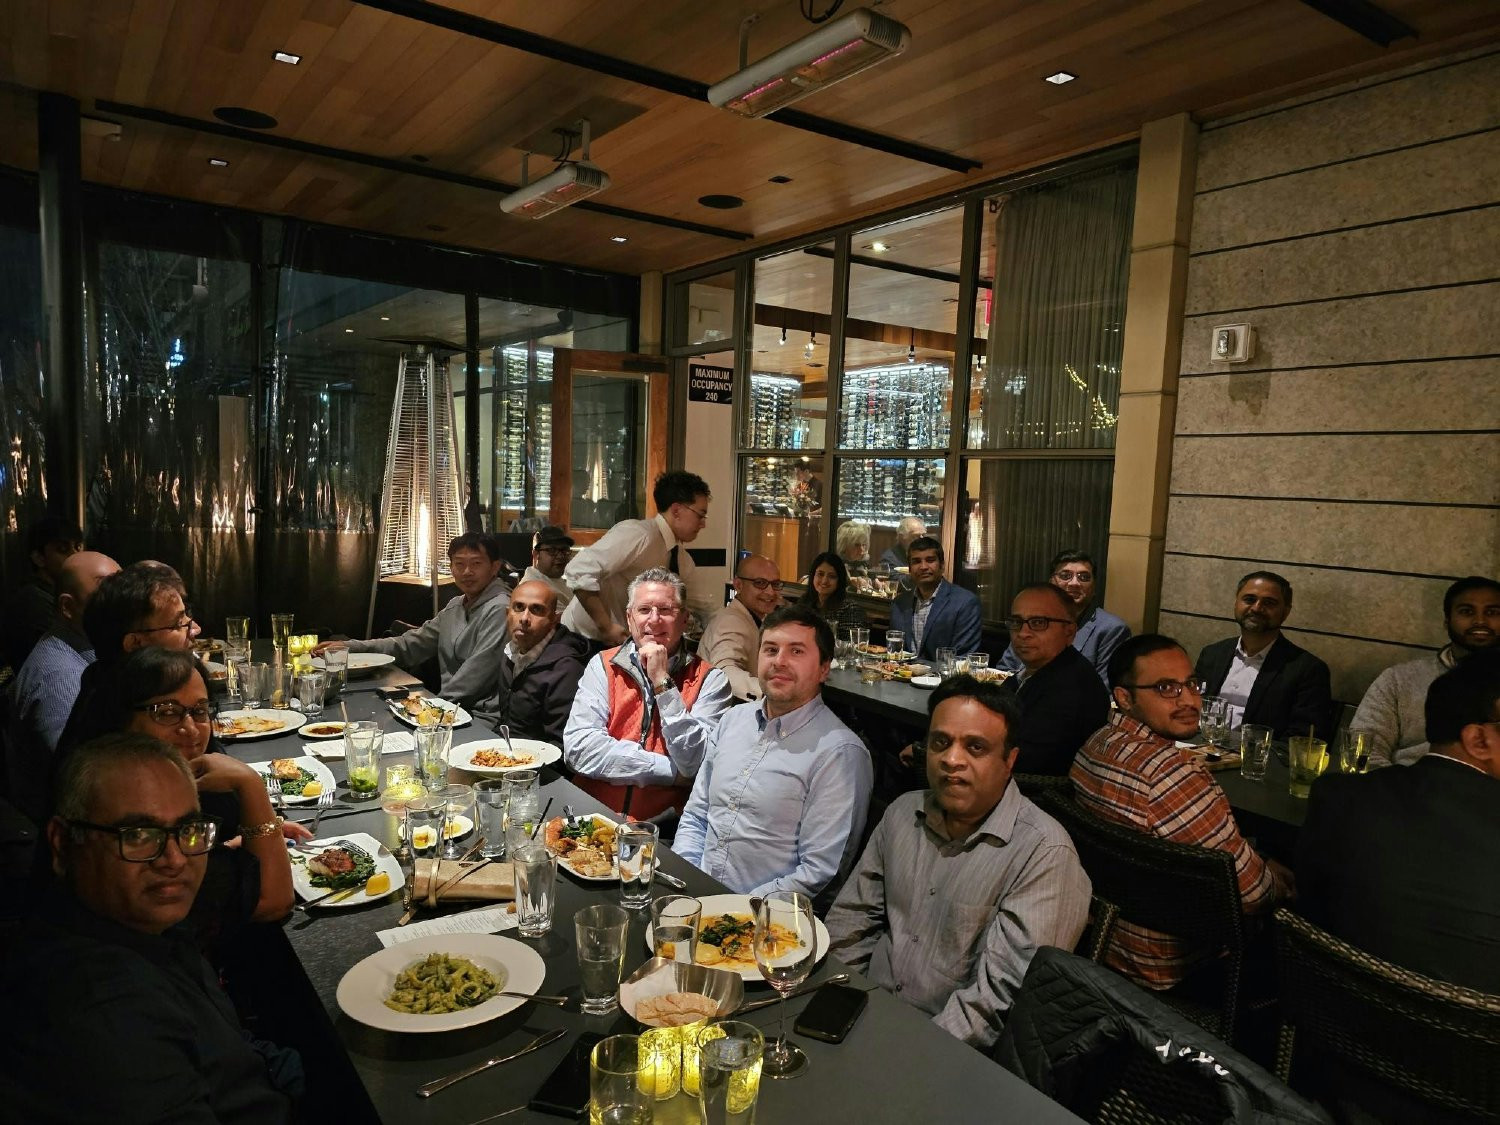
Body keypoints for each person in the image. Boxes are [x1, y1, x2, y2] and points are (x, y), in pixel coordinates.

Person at [0, 734, 299, 1123]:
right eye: (138, 835)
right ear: (62, 842)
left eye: (189, 829)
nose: (174, 859)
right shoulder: (103, 1016)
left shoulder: (137, 921)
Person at [826, 675, 1090, 1049]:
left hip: (947, 1054)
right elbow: (850, 924)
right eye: (940, 742)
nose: (952, 759)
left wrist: (902, 1052)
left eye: (976, 747)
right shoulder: (902, 813)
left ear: (1009, 760)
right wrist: (836, 1005)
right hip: (861, 1015)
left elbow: (994, 1004)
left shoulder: (1043, 854)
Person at [1070, 634, 1291, 990]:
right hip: (1170, 964)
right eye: (1165, 688)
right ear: (1124, 697)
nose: (1189, 699)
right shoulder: (1171, 775)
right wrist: (1279, 879)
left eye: (1191, 684)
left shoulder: (1095, 744)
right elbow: (1252, 896)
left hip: (1102, 937)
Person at [59, 648, 304, 942]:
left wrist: (238, 841)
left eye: (199, 711)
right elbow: (273, 902)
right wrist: (251, 785)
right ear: (120, 717)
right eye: (167, 712)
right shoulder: (112, 798)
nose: (190, 729)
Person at [1299, 650, 1500, 993]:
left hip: (1332, 1016)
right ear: (1478, 740)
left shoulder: (1337, 796)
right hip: (1467, 1040)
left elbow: (1311, 912)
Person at [676, 604, 873, 911]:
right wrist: (687, 883)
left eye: (797, 652)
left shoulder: (839, 753)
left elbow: (819, 872)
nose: (779, 661)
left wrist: (733, 911)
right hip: (694, 900)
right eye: (770, 649)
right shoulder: (732, 721)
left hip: (766, 925)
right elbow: (697, 815)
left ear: (824, 668)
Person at [563, 567, 732, 818]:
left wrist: (662, 683)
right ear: (630, 617)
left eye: (665, 610)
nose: (654, 620)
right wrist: (671, 772)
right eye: (644, 610)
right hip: (590, 815)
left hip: (662, 827)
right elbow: (578, 750)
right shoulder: (602, 665)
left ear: (684, 619)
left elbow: (695, 763)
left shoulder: (711, 680)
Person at [5, 551, 120, 822]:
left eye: (123, 588)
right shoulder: (61, 676)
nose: (123, 601)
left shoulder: (85, 650)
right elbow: (86, 781)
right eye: (107, 591)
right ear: (67, 607)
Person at [334, 532, 509, 708]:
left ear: (495, 567)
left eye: (476, 563)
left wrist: (430, 709)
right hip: (450, 708)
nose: (467, 572)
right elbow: (409, 645)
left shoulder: (501, 608)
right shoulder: (456, 605)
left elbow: (476, 675)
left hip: (480, 716)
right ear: (451, 568)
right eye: (459, 564)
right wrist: (349, 647)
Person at [1351, 575, 1499, 768]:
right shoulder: (1399, 679)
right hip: (1406, 789)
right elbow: (1362, 747)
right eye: (1467, 611)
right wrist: (1403, 792)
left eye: (1492, 612)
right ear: (1447, 621)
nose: (1480, 621)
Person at [561, 470, 716, 646]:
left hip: (620, 645)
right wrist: (606, 627)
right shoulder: (639, 535)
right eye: (700, 515)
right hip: (581, 642)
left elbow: (703, 607)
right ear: (676, 510)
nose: (703, 524)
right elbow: (579, 569)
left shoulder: (681, 558)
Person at [1194, 571, 1332, 740]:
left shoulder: (1307, 670)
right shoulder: (1212, 654)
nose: (1257, 608)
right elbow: (1191, 707)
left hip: (1254, 760)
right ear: (1236, 603)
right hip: (1197, 749)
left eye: (1269, 603)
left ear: (1286, 612)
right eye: (1249, 599)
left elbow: (1303, 738)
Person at [998, 583, 1111, 775]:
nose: (1023, 633)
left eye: (1039, 623)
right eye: (1017, 622)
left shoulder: (1070, 687)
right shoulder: (1038, 670)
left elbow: (1030, 763)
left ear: (1069, 632)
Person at [472, 578, 589, 745]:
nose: (525, 618)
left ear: (554, 619)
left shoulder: (567, 668)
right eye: (518, 608)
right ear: (507, 614)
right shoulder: (510, 652)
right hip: (507, 750)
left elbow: (560, 744)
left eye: (537, 610)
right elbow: (507, 722)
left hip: (543, 764)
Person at [998, 550, 1131, 682]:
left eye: (1084, 577)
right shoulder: (1032, 619)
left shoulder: (1111, 629)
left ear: (1094, 587)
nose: (1074, 583)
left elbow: (1104, 688)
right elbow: (1003, 672)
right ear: (1051, 582)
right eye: (1065, 575)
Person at [1, 513, 84, 670]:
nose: (75, 555)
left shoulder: (58, 593)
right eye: (62, 549)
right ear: (39, 558)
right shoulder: (32, 602)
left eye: (78, 547)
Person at [697, 553, 782, 701]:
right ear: (738, 585)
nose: (770, 592)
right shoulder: (731, 622)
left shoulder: (756, 616)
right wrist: (774, 696)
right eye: (760, 583)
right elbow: (725, 672)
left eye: (775, 584)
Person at [887, 535, 982, 662]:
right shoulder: (899, 603)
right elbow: (894, 654)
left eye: (930, 560)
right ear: (909, 569)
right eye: (916, 561)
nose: (923, 567)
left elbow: (963, 657)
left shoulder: (965, 603)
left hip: (942, 680)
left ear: (942, 566)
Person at [796, 550, 868, 632]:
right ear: (813, 576)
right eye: (820, 574)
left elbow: (851, 644)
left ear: (839, 580)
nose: (824, 581)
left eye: (832, 576)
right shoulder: (805, 601)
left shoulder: (850, 609)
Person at [520, 524, 575, 609]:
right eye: (552, 550)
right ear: (536, 554)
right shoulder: (535, 590)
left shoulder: (554, 579)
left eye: (564, 550)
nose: (560, 556)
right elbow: (571, 621)